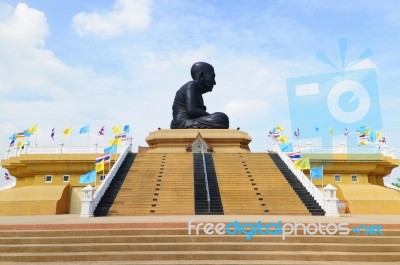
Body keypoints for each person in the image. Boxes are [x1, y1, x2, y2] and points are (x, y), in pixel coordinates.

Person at [170, 62, 229, 129]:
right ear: (201, 76)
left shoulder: (197, 92)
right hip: (183, 123)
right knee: (220, 118)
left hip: (190, 121)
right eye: (212, 77)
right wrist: (210, 116)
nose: (214, 82)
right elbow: (192, 111)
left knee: (221, 118)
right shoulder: (191, 85)